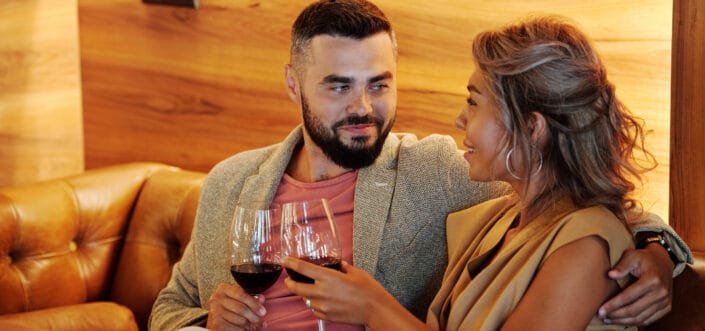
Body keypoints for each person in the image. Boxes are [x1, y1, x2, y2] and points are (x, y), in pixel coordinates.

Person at [149, 2, 691, 330]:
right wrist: (206, 323)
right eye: (339, 86)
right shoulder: (232, 182)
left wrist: (662, 254)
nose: (363, 108)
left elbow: (591, 203)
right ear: (294, 83)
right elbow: (170, 307)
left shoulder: (436, 170)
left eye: (378, 84)